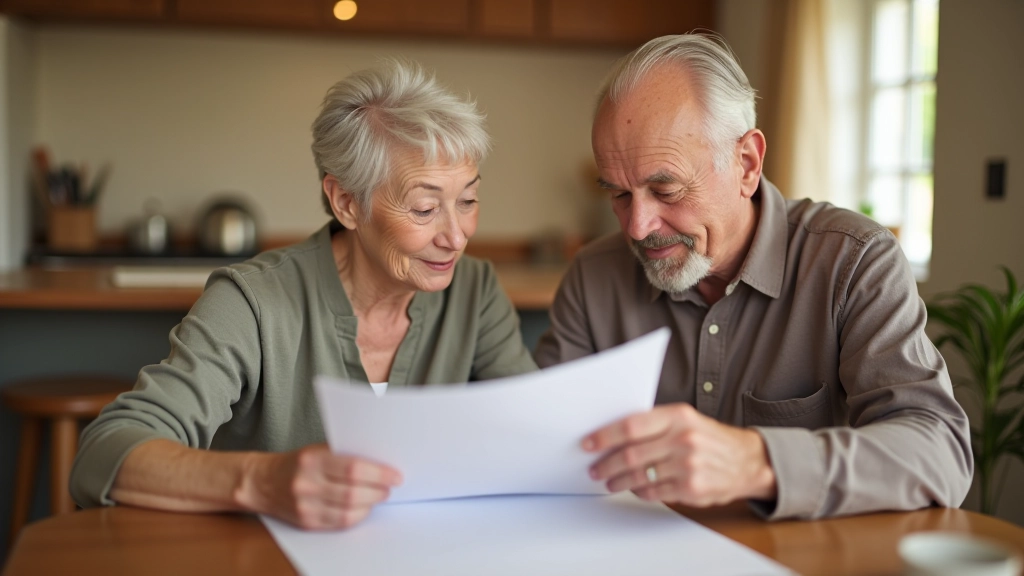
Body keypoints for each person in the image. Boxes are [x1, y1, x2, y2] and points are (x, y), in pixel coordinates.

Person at [71, 60, 537, 530]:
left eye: (468, 201)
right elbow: (105, 450)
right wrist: (262, 480)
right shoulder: (252, 301)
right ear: (346, 202)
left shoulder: (474, 291)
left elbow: (534, 434)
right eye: (425, 208)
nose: (456, 237)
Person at [534, 33, 972, 520]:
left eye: (667, 189)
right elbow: (542, 446)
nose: (638, 227)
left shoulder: (853, 264)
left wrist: (756, 462)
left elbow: (941, 454)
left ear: (746, 164)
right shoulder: (593, 277)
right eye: (618, 194)